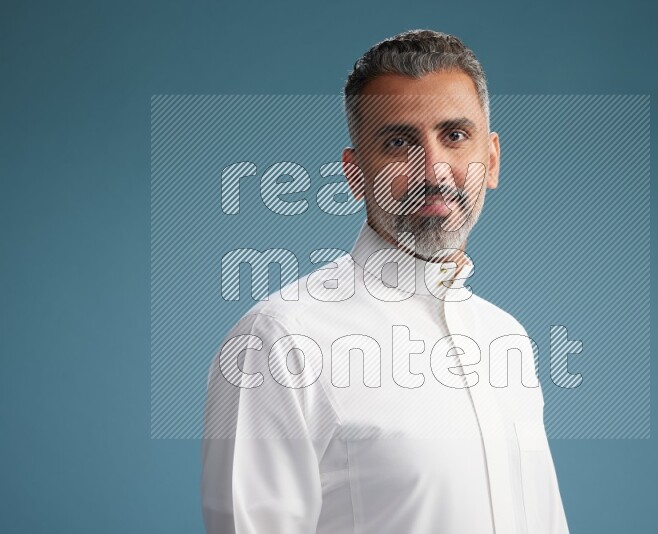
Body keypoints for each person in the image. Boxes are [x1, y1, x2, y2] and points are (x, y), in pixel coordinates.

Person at [201, 29, 569, 533]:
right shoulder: (279, 341)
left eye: (455, 136)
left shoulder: (506, 337)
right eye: (399, 142)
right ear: (354, 174)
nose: (435, 170)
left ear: (492, 160)